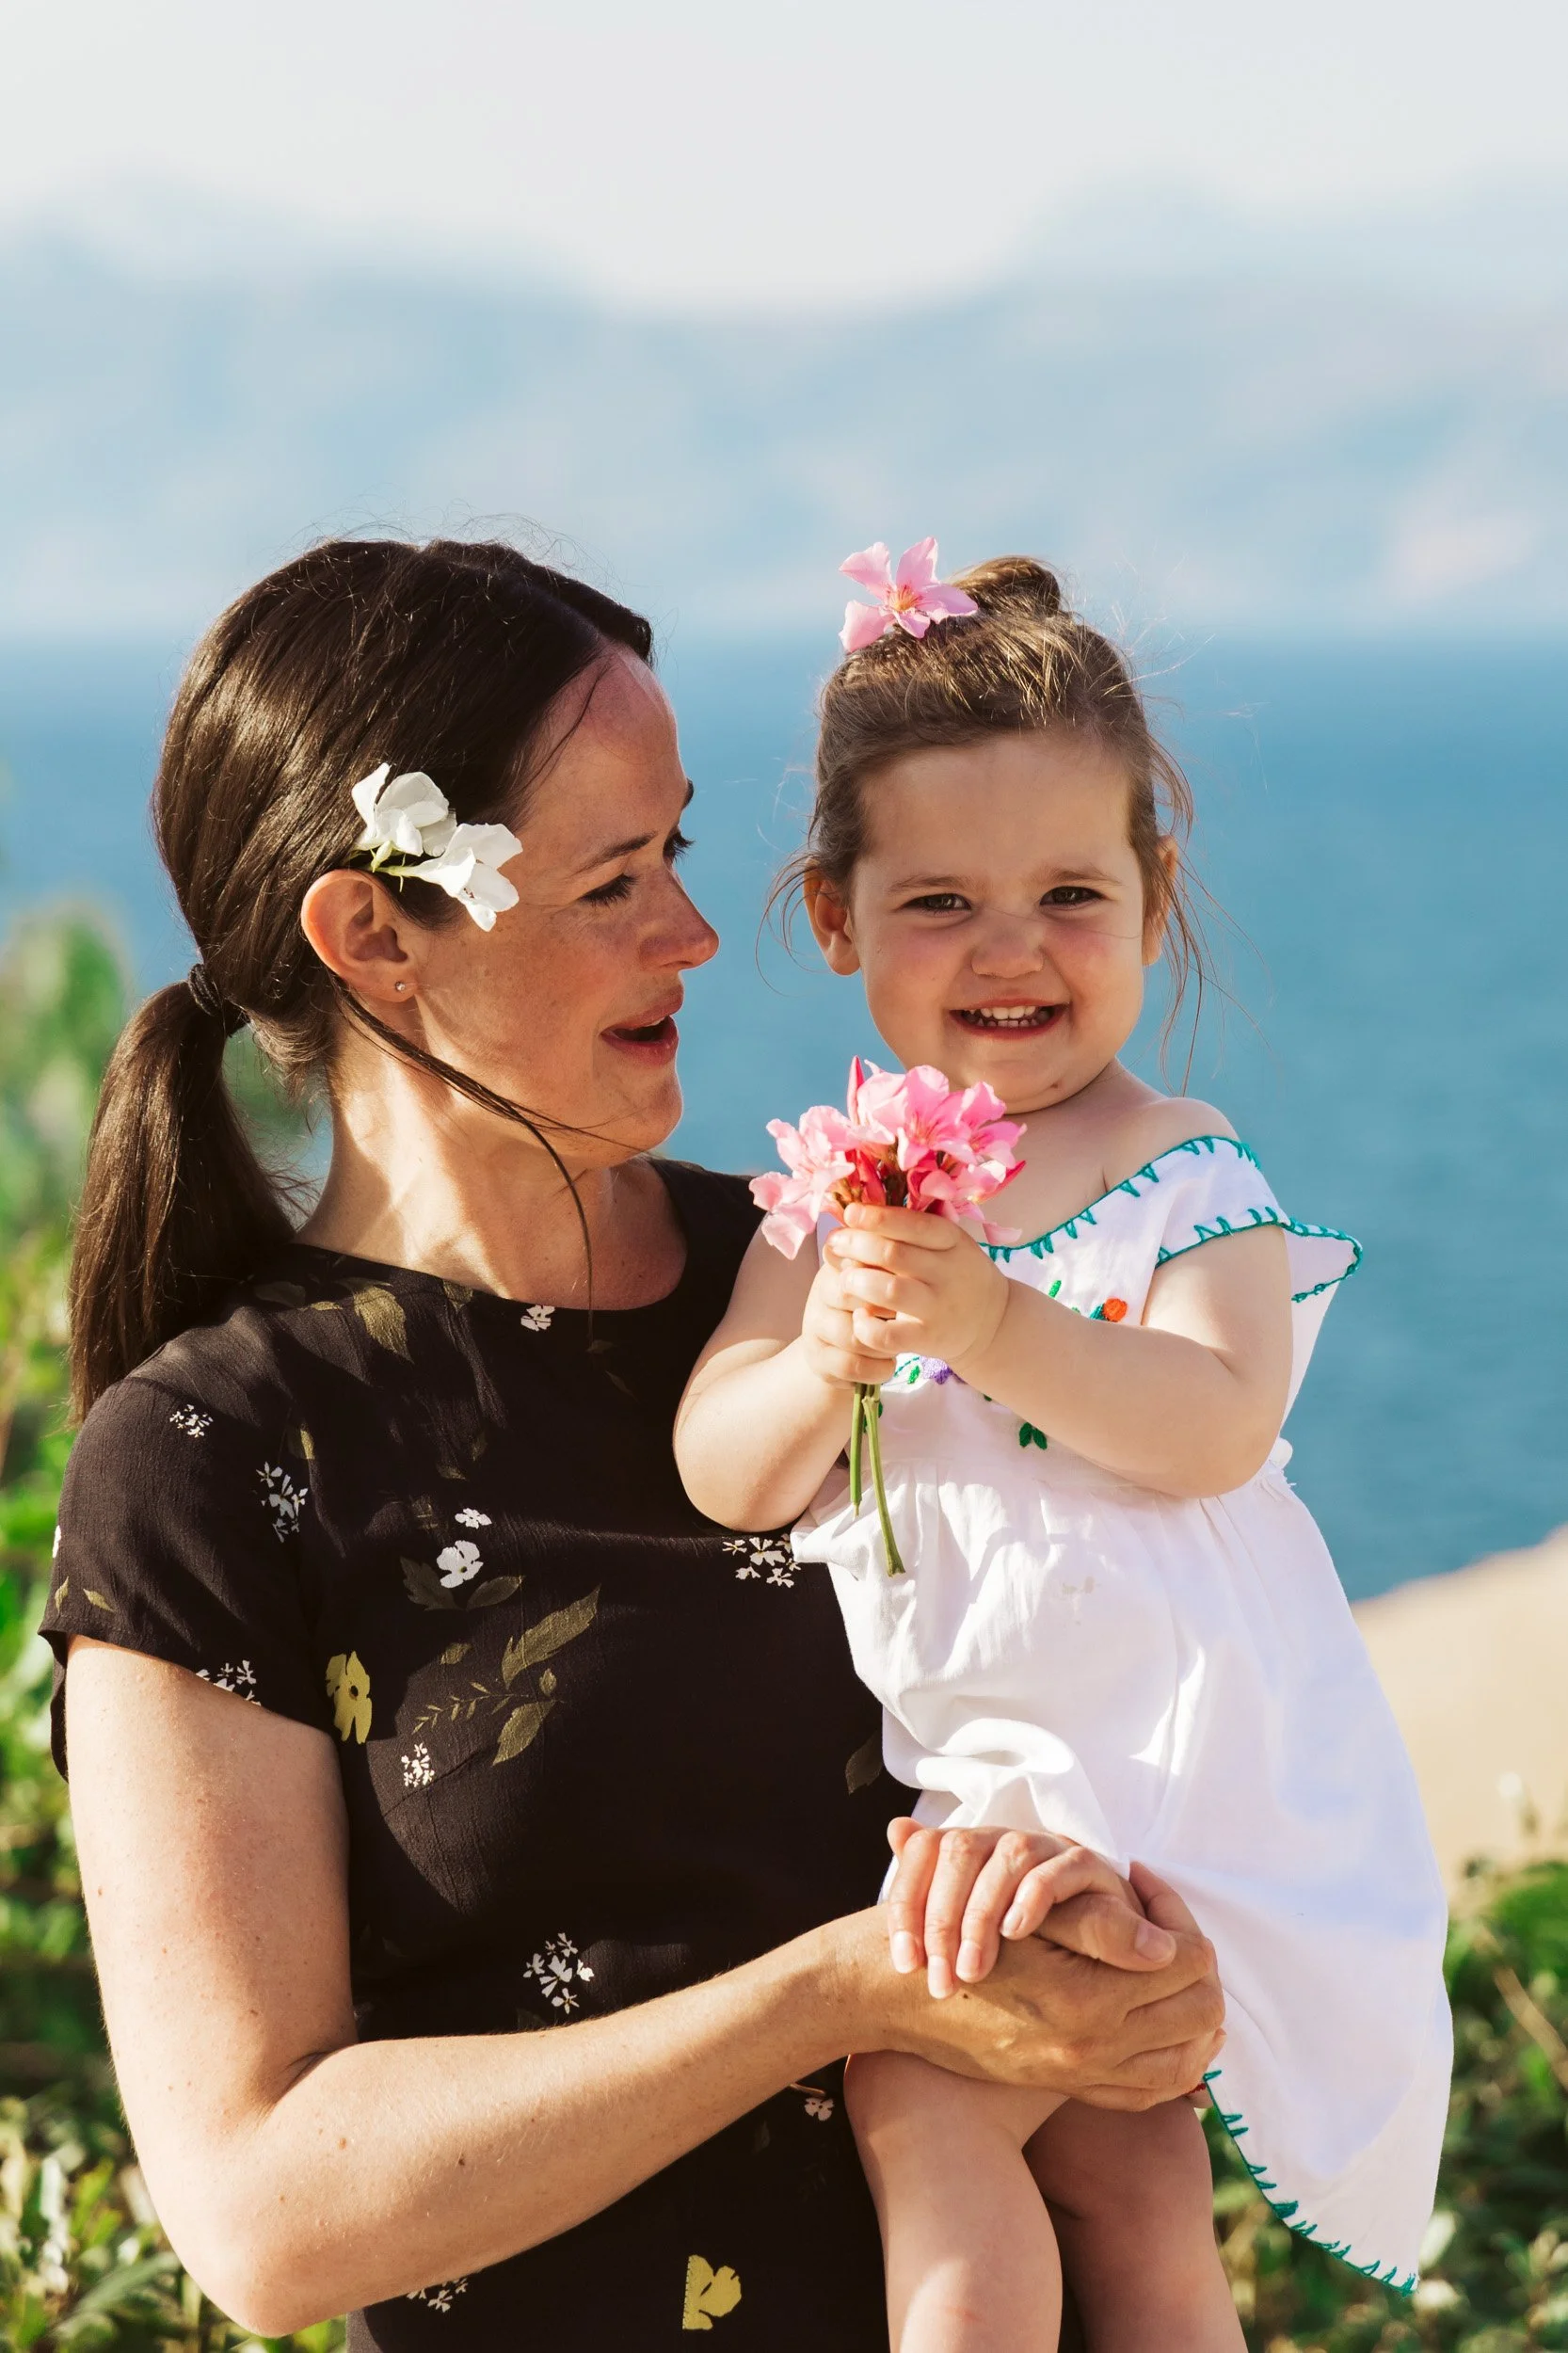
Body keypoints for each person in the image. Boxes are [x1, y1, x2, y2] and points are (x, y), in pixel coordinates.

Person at [41, 537, 1225, 2351]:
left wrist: (1154, 1969)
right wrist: (855, 1996)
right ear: (372, 937)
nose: (691, 929)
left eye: (674, 848)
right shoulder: (210, 1454)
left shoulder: (843, 1271)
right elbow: (263, 2215)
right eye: (611, 880)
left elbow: (1129, 1663)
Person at [676, 550, 1452, 2352]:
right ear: (833, 919)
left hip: (1147, 1759)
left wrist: (996, 1329)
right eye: (937, 899)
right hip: (1004, 1764)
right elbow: (727, 1462)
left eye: (1069, 893)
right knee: (1120, 2171)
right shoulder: (828, 1203)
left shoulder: (1177, 1161)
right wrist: (827, 1362)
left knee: (925, 2096)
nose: (1009, 946)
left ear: (1155, 898)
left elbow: (1217, 1423)